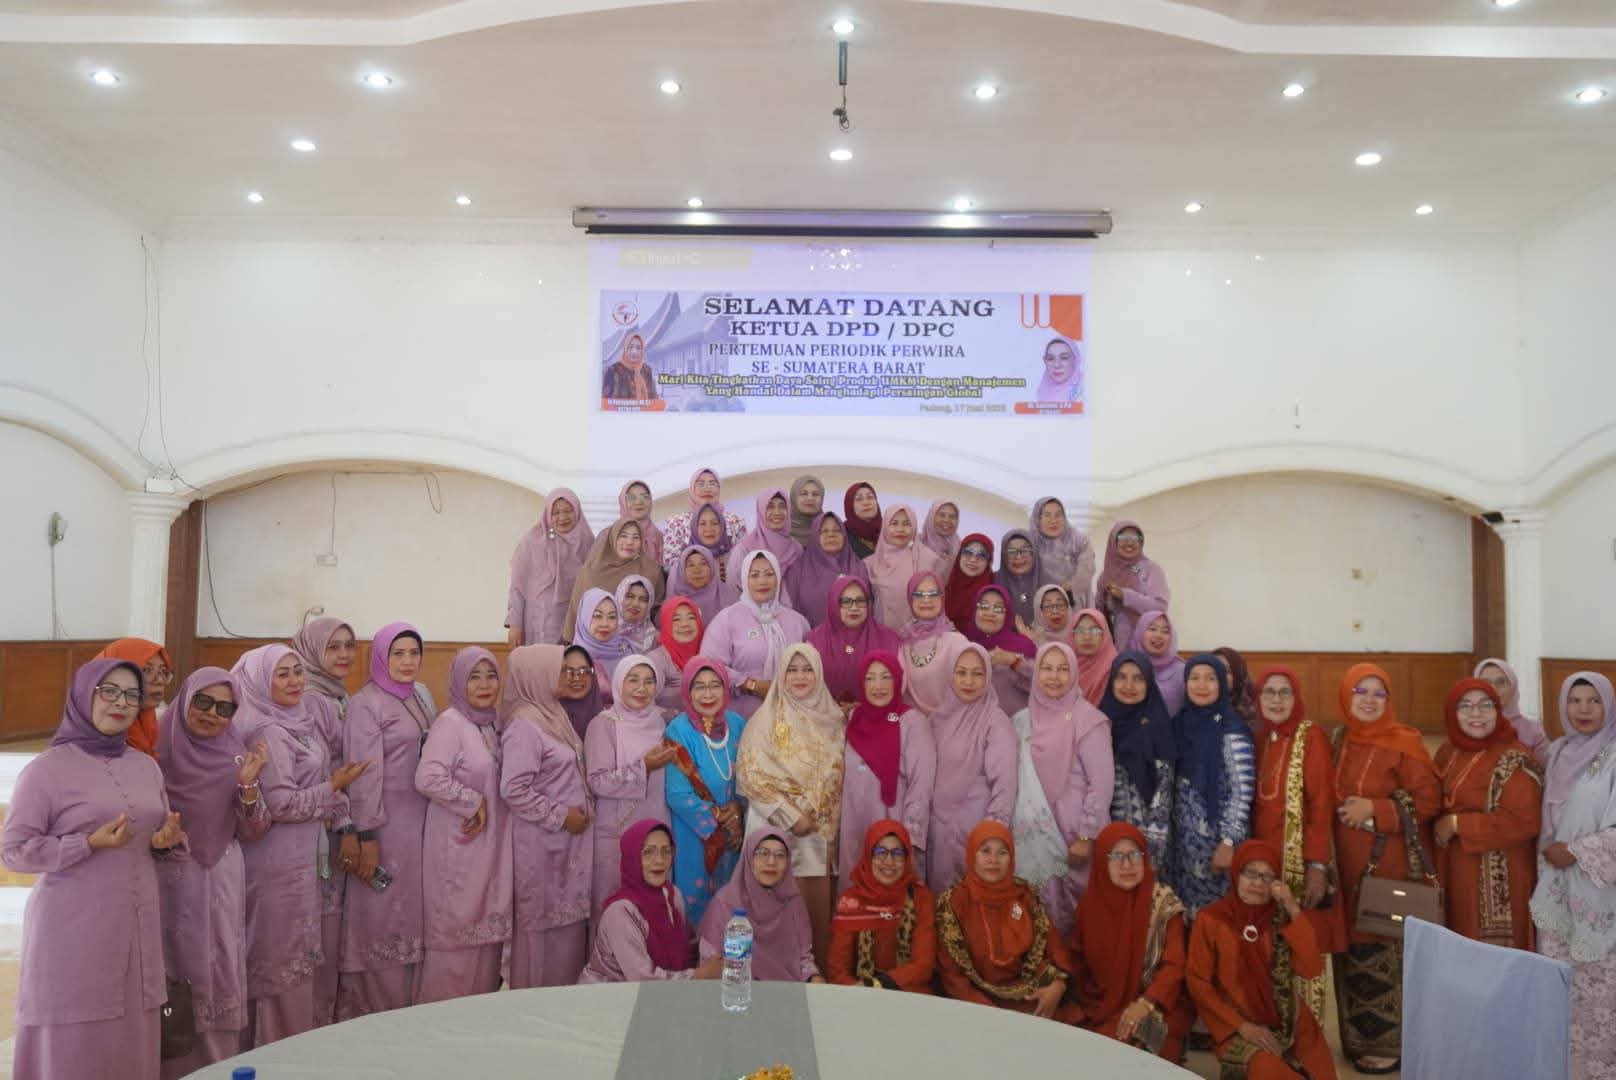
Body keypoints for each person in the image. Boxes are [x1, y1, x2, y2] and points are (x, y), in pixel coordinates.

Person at [2, 659, 184, 1080]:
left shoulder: (144, 766)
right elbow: (13, 851)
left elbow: (157, 831)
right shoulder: (47, 770)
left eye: (131, 695)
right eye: (109, 691)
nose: (120, 703)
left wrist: (163, 842)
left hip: (136, 929)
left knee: (130, 1043)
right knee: (76, 1046)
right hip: (74, 932)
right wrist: (85, 844)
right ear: (84, 695)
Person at [232, 643, 363, 1042]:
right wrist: (334, 787)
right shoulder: (267, 731)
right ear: (260, 681)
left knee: (298, 956)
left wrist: (335, 801)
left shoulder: (298, 719)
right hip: (275, 860)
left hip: (302, 856)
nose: (294, 681)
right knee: (279, 959)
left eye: (297, 672)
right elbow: (281, 804)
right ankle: (271, 1048)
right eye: (282, 674)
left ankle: (299, 1041)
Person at [154, 668, 270, 1078]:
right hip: (171, 878)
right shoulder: (156, 754)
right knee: (176, 969)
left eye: (225, 708)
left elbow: (254, 829)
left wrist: (248, 787)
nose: (212, 714)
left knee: (220, 967)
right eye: (203, 702)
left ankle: (218, 1067)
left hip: (222, 874)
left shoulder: (237, 754)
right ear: (186, 699)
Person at [1330, 662, 1439, 1075]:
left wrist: (1376, 809)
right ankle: (1359, 1039)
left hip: (1388, 866)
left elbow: (1429, 801)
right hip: (1346, 868)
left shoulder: (1405, 743)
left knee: (1385, 945)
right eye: (1361, 691)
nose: (1370, 701)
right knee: (1352, 948)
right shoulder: (1339, 739)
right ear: (1346, 695)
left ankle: (1393, 1043)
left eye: (1380, 693)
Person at [338, 623, 433, 1019]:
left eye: (414, 653)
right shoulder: (367, 704)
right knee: (380, 912)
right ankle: (371, 1010)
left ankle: (405, 1009)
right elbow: (363, 775)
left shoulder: (420, 696)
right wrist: (367, 835)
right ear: (380, 656)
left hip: (418, 825)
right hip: (383, 826)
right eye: (398, 653)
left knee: (408, 914)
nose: (407, 661)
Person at [1186, 840, 1338, 1080]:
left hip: (1288, 1020)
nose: (1258, 883)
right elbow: (1198, 984)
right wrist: (1242, 1026)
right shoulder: (1211, 919)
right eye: (1250, 873)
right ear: (1236, 874)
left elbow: (1311, 969)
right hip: (1236, 1026)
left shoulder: (1281, 919)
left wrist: (1292, 907)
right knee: (1267, 1070)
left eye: (1267, 877)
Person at [413, 647, 513, 1003]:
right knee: (454, 949)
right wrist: (473, 801)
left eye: (491, 676)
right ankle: (440, 1027)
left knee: (485, 946)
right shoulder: (451, 723)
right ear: (458, 681)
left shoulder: (492, 723)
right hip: (457, 847)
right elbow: (427, 777)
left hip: (489, 847)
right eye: (474, 677)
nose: (485, 685)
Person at [737, 643, 846, 966]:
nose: (800, 677)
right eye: (792, 670)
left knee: (813, 920)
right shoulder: (764, 719)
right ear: (781, 676)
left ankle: (813, 979)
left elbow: (841, 776)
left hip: (819, 836)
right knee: (771, 915)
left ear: (819, 674)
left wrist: (818, 813)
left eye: (808, 669)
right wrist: (790, 816)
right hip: (774, 829)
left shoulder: (834, 719)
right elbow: (750, 775)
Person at [1532, 672, 1616, 1080]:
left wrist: (1577, 851)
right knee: (1557, 991)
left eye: (1594, 701)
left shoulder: (1614, 756)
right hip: (1554, 891)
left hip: (1600, 895)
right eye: (1575, 700)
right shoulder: (1557, 752)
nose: (1583, 709)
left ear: (1609, 706)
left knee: (1599, 997)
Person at [1249, 668, 1346, 1022]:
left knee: (1303, 945)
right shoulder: (1258, 738)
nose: (1276, 700)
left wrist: (1316, 865)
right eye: (1269, 692)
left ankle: (1307, 1035)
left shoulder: (1311, 737)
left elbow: (1321, 804)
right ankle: (1275, 1027)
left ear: (1296, 698)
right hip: (1263, 864)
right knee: (1267, 950)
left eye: (1284, 692)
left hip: (1300, 864)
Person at [500, 645, 593, 988]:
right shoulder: (524, 725)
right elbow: (513, 789)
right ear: (538, 674)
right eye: (561, 669)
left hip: (566, 846)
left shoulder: (551, 712)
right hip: (542, 846)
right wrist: (561, 816)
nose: (569, 676)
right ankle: (534, 1009)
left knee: (565, 936)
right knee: (540, 937)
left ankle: (562, 1007)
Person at [1010, 642, 1113, 938]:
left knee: (1075, 911)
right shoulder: (1021, 721)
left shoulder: (1089, 720)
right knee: (1036, 910)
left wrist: (1087, 836)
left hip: (1073, 834)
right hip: (1031, 835)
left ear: (1074, 673)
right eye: (1046, 668)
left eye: (1062, 669)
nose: (1054, 677)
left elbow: (1101, 784)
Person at [1432, 678, 1541, 949]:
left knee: (1493, 958)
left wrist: (1457, 824)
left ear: (1498, 710)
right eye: (1465, 706)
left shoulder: (1515, 757)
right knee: (1455, 946)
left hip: (1498, 883)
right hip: (1453, 871)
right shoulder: (1448, 751)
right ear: (1452, 712)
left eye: (1486, 705)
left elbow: (1524, 821)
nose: (1476, 713)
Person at [1069, 823, 1191, 1060]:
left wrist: (1146, 1003)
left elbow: (1174, 967)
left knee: (1124, 1052)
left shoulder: (1164, 905)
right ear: (1102, 862)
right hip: (1100, 1004)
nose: (1127, 865)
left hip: (1159, 1003)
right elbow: (1078, 962)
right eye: (1117, 856)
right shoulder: (1089, 907)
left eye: (1135, 855)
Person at [935, 821, 1079, 1020]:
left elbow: (1054, 948)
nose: (993, 860)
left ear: (1011, 858)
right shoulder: (955, 902)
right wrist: (993, 1017)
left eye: (1002, 852)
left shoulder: (1025, 896)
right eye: (985, 851)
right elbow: (953, 977)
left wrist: (1058, 986)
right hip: (975, 1007)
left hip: (1029, 999)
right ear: (971, 855)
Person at [287, 615, 357, 1026]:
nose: (344, 654)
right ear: (313, 651)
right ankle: (312, 1022)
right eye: (333, 647)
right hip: (323, 825)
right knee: (320, 928)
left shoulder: (338, 695)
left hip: (333, 818)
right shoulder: (313, 699)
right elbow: (324, 770)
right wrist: (345, 822)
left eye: (349, 645)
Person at [579, 821, 724, 983]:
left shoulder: (672, 895)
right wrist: (699, 975)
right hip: (612, 994)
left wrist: (715, 958)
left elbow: (688, 945)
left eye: (666, 851)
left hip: (660, 992)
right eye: (648, 852)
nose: (659, 860)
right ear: (632, 857)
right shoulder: (620, 912)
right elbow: (641, 977)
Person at [585, 657, 675, 919]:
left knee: (654, 906)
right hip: (616, 833)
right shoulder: (603, 724)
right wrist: (644, 767)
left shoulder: (664, 721)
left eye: (649, 681)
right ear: (619, 683)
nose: (641, 688)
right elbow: (598, 781)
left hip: (657, 828)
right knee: (615, 908)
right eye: (632, 680)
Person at [926, 641, 1018, 893]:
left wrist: (991, 835)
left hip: (976, 834)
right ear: (950, 674)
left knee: (974, 902)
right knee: (941, 903)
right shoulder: (937, 718)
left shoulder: (995, 722)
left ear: (988, 677)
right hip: (938, 833)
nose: (968, 681)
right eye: (961, 672)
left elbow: (1005, 785)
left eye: (977, 674)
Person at [1171, 655, 1257, 919]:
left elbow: (1242, 793)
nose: (1201, 685)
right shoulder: (1179, 724)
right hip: (1185, 846)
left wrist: (1229, 841)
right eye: (1194, 678)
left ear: (1221, 684)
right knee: (1188, 917)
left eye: (1210, 679)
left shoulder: (1232, 731)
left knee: (1220, 918)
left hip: (1218, 846)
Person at [663, 656, 746, 927]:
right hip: (695, 833)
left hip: (734, 833)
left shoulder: (737, 724)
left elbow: (750, 775)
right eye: (699, 686)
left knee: (732, 902)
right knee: (696, 901)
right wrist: (721, 820)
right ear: (687, 691)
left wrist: (739, 811)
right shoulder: (677, 731)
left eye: (715, 685)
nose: (708, 694)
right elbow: (678, 793)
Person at [838, 654, 936, 883]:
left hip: (894, 830)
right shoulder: (854, 719)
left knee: (894, 893)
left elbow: (921, 784)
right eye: (870, 678)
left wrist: (909, 836)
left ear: (898, 680)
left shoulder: (912, 722)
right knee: (857, 891)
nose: (878, 685)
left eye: (886, 677)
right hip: (855, 828)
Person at [699, 828, 824, 982]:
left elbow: (803, 958)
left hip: (788, 988)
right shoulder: (725, 902)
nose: (771, 862)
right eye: (763, 853)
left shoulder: (792, 901)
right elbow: (710, 963)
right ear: (748, 858)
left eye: (780, 855)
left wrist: (813, 977)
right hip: (738, 989)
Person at [827, 820, 937, 991]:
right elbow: (837, 967)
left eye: (897, 853)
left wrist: (878, 985)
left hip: (910, 993)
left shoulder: (921, 898)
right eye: (880, 852)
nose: (889, 861)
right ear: (868, 855)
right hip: (860, 994)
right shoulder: (852, 900)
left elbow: (923, 965)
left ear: (907, 858)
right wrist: (857, 991)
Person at [702, 549, 810, 719]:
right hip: (742, 717)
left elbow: (811, 665)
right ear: (744, 579)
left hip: (792, 714)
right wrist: (751, 684)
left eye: (769, 574)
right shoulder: (727, 619)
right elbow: (709, 665)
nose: (762, 581)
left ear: (778, 578)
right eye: (754, 575)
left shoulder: (797, 622)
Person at [1102, 653, 1177, 874]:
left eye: (1138, 679)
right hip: (1105, 837)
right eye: (1121, 677)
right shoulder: (1099, 723)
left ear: (1149, 683)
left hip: (1147, 841)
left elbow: (1163, 795)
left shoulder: (1158, 727)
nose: (1129, 686)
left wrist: (1152, 852)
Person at [506, 488, 595, 647]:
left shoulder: (588, 543)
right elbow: (518, 586)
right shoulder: (532, 541)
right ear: (547, 515)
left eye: (568, 511)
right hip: (539, 623)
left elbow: (595, 586)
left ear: (577, 512)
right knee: (541, 661)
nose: (562, 517)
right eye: (556, 513)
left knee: (572, 661)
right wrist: (515, 623)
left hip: (576, 622)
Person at [806, 574, 901, 708]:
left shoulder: (888, 639)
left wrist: (862, 709)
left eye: (860, 601)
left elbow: (898, 686)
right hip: (824, 715)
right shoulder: (814, 641)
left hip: (876, 713)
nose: (854, 607)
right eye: (846, 602)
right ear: (833, 603)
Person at [563, 519, 666, 637]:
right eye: (623, 536)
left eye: (636, 537)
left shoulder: (651, 571)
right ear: (613, 538)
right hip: (595, 639)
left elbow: (657, 610)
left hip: (637, 641)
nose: (629, 542)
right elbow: (576, 610)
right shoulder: (591, 571)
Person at [896, 570, 967, 717]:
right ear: (910, 600)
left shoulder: (958, 642)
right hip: (914, 722)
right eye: (919, 594)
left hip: (953, 720)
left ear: (942, 598)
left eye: (933, 594)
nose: (926, 600)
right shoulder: (903, 642)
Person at [865, 503, 944, 631]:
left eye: (907, 524)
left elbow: (936, 600)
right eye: (894, 523)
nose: (900, 529)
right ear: (885, 527)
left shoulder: (925, 559)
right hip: (880, 633)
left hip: (916, 634)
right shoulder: (869, 563)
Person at [93, 637, 173, 758]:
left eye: (163, 671)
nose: (160, 680)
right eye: (146, 670)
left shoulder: (150, 724)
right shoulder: (92, 739)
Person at [963, 583, 1036, 716]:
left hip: (1016, 724)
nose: (990, 613)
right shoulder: (964, 647)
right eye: (984, 606)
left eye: (998, 609)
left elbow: (1043, 685)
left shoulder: (1024, 646)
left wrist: (1014, 662)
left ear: (1007, 614)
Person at [786, 512, 869, 626]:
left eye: (837, 530)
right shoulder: (797, 570)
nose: (831, 535)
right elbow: (791, 612)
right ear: (814, 536)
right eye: (824, 531)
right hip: (811, 635)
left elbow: (868, 607)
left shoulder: (859, 567)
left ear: (844, 535)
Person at [1096, 521, 1169, 648]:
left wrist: (1125, 595)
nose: (1129, 543)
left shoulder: (1150, 570)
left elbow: (1160, 606)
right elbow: (1099, 612)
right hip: (1118, 645)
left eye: (1135, 538)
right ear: (1114, 542)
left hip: (1148, 644)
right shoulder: (1106, 575)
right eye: (1123, 538)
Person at [658, 468, 747, 572]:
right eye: (701, 484)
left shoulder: (735, 521)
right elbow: (670, 566)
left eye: (712, 483)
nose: (707, 489)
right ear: (692, 489)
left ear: (719, 489)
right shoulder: (676, 523)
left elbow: (744, 562)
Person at [646, 597, 721, 711]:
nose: (685, 624)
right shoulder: (656, 660)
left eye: (691, 617)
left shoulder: (709, 655)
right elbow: (644, 704)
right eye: (676, 619)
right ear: (665, 624)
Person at [1473, 657, 1551, 764]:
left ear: (1513, 688)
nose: (1493, 689)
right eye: (1485, 683)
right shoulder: (1469, 726)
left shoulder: (1533, 731)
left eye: (1500, 682)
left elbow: (1545, 769)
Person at [1029, 497, 1096, 609]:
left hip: (1076, 601)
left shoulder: (1079, 541)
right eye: (1047, 515)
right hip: (1043, 605)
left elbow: (1087, 570)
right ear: (1037, 519)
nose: (1053, 521)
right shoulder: (1030, 544)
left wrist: (1073, 585)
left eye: (1058, 515)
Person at [726, 488, 805, 583]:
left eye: (782, 506)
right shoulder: (744, 550)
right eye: (770, 507)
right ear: (761, 511)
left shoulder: (796, 548)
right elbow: (732, 588)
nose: (777, 512)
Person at [571, 588, 635, 694]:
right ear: (584, 617)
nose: (605, 624)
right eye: (597, 616)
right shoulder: (570, 660)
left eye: (612, 617)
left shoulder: (627, 651)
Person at [668, 543, 739, 626]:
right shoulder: (672, 604)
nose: (697, 570)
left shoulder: (729, 596)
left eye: (703, 563)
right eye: (691, 565)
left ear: (711, 568)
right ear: (682, 572)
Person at [1131, 611, 1186, 715]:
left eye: (1165, 631)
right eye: (1152, 629)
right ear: (1140, 632)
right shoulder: (1127, 666)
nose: (1158, 635)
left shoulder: (1181, 670)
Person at [942, 532, 995, 630]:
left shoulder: (993, 593)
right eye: (968, 552)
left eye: (982, 555)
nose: (973, 560)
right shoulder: (945, 584)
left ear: (988, 562)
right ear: (959, 555)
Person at [994, 529, 1044, 630]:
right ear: (1003, 556)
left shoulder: (1049, 584)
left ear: (1034, 553)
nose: (1018, 556)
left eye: (1025, 550)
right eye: (1011, 551)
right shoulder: (992, 582)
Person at [1071, 606, 1118, 706]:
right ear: (1072, 636)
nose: (1087, 637)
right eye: (1080, 631)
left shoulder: (1116, 670)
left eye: (1095, 631)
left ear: (1105, 634)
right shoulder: (1064, 667)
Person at [1214, 646, 1261, 736]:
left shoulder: (1251, 711)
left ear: (1238, 675)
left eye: (1227, 671)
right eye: (1215, 670)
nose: (1220, 675)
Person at [617, 478, 665, 566]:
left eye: (644, 497)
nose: (638, 502)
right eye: (631, 497)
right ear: (623, 501)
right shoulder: (612, 535)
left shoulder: (658, 535)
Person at [602, 330, 659, 400]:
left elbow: (654, 399)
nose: (634, 352)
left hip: (645, 407)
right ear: (625, 349)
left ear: (642, 351)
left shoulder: (647, 371)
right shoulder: (613, 370)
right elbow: (605, 400)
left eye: (638, 348)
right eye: (630, 347)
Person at [615, 575, 657, 653]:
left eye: (643, 600)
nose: (635, 604)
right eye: (630, 596)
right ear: (620, 597)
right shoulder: (605, 627)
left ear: (649, 605)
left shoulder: (652, 638)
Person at [1037, 336, 1084, 405]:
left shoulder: (1085, 389)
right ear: (1045, 361)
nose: (1057, 365)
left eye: (1064, 358)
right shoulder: (1042, 391)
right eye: (1050, 359)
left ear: (1075, 359)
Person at [842, 481, 883, 559]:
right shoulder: (841, 534)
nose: (866, 503)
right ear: (849, 505)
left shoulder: (889, 530)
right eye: (859, 499)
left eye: (870, 497)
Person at [1029, 583, 1076, 649]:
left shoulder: (1079, 636)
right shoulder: (1031, 641)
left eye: (1060, 605)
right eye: (1048, 606)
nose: (1055, 611)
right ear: (1039, 612)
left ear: (1068, 608)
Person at [919, 498, 962, 568]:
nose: (946, 520)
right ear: (931, 517)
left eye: (952, 516)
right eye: (942, 515)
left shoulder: (960, 548)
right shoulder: (918, 544)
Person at [787, 474, 825, 547]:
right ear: (794, 498)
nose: (810, 498)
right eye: (804, 494)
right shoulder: (781, 530)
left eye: (815, 494)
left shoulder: (831, 529)